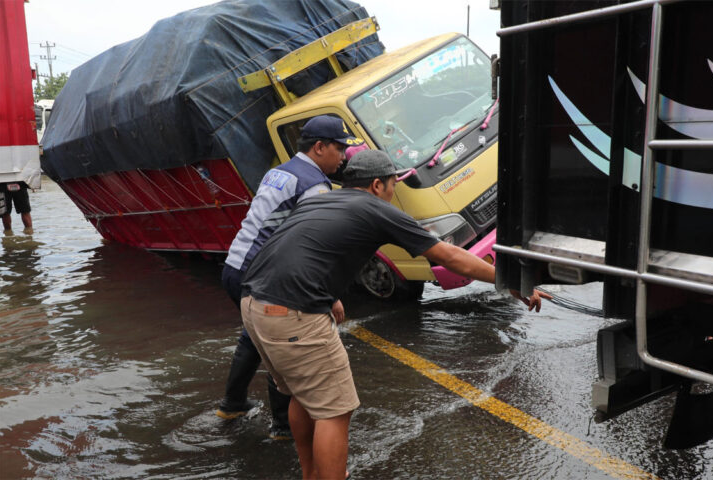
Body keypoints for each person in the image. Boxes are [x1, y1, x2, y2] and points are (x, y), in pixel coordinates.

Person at [239, 149, 551, 479]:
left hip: (254, 305)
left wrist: (328, 297)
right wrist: (511, 281)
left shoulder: (320, 200)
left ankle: (310, 474)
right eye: (392, 185)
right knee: (335, 411)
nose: (393, 192)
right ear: (376, 185)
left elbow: (300, 249)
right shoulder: (375, 209)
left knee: (301, 394)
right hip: (294, 314)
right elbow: (450, 256)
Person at [216, 115, 363, 440]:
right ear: (319, 147)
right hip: (263, 275)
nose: (342, 157)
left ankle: (233, 404)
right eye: (338, 149)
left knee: (253, 338)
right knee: (284, 343)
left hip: (235, 265)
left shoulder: (279, 171)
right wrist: (329, 296)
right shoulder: (315, 186)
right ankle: (283, 427)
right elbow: (313, 248)